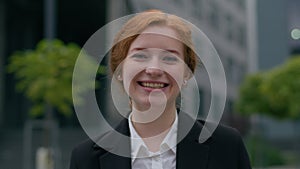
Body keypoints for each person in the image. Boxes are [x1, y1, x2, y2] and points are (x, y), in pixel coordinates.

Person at [70, 10, 252, 169]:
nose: (154, 69)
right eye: (140, 55)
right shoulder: (86, 159)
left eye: (169, 58)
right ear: (119, 70)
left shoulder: (226, 147)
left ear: (187, 74)